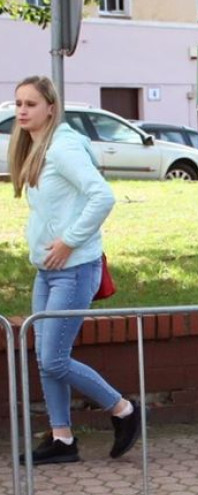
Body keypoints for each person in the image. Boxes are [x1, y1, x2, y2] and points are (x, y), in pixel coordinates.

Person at [8, 75, 140, 465]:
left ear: (51, 108)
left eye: (31, 104)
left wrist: (68, 240)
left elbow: (102, 196)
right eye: (18, 103)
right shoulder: (37, 147)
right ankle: (62, 439)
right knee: (45, 356)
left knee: (53, 359)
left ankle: (123, 410)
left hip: (75, 268)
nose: (22, 111)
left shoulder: (63, 148)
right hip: (47, 271)